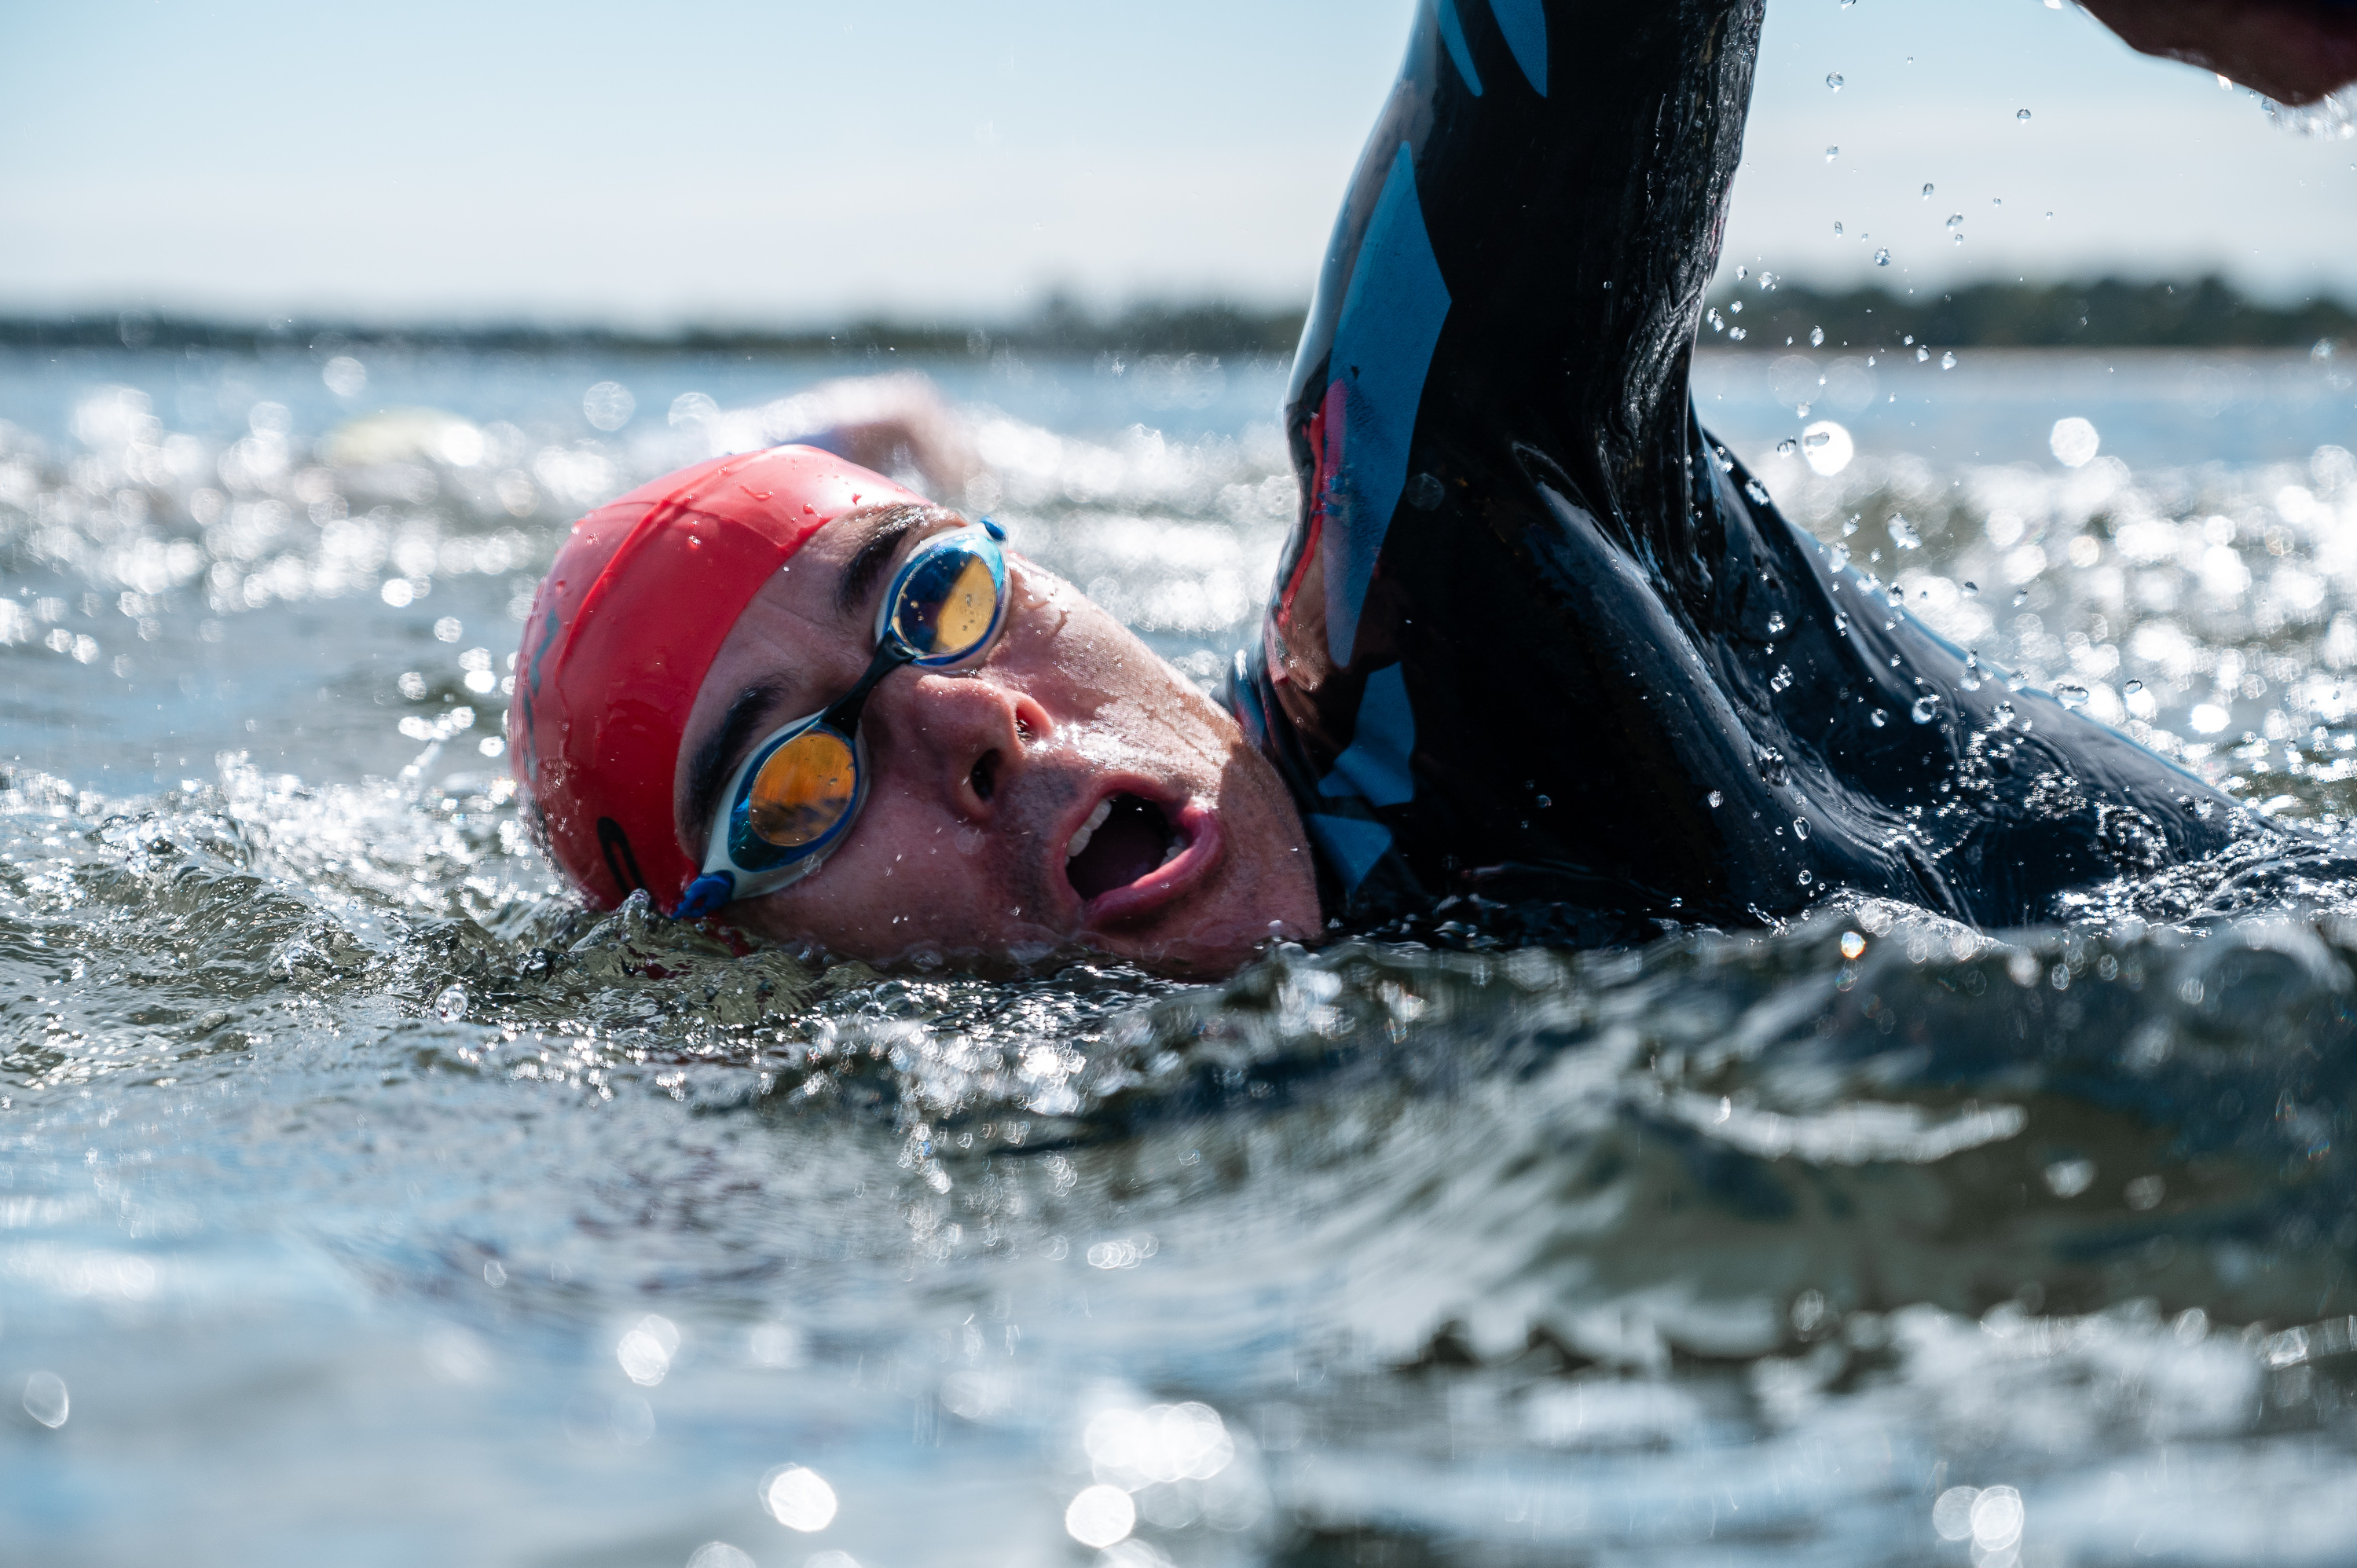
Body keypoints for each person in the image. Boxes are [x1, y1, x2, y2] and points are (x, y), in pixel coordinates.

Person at [509, 0, 2357, 975]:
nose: (968, 718)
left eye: (936, 592)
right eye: (797, 782)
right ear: (726, 974)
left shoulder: (1442, 553)